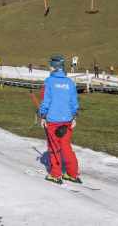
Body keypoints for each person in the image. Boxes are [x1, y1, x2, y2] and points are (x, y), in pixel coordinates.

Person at [39, 55, 81, 185]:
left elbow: (46, 101)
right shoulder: (70, 83)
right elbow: (74, 102)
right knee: (66, 147)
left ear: (54, 67)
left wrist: (42, 115)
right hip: (67, 120)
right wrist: (74, 116)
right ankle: (72, 174)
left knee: (54, 147)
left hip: (53, 121)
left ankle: (55, 174)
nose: (49, 68)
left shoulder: (49, 82)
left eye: (50, 66)